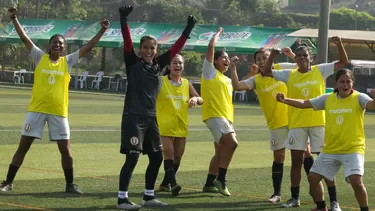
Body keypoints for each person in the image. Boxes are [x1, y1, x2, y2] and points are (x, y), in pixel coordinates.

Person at [0, 7, 110, 194]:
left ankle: (70, 184)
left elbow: (88, 47)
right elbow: (25, 38)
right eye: (54, 43)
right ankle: (8, 182)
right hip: (36, 110)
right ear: (49, 46)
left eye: (60, 43)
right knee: (23, 146)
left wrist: (102, 30)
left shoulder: (67, 61)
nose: (57, 45)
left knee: (65, 150)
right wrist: (14, 18)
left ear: (64, 47)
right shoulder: (39, 57)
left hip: (59, 112)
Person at [117, 5, 196, 210]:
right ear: (139, 50)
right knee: (132, 157)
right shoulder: (132, 61)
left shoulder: (158, 65)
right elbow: (126, 41)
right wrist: (124, 19)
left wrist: (188, 29)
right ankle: (122, 199)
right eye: (145, 48)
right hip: (133, 117)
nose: (149, 51)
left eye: (152, 48)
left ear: (156, 51)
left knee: (157, 157)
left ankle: (148, 196)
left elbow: (176, 48)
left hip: (151, 119)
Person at [263, 37, 348, 210]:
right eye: (299, 56)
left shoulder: (320, 70)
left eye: (304, 55)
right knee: (296, 163)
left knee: (326, 162)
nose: (301, 58)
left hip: (318, 124)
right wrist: (272, 56)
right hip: (296, 125)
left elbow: (343, 62)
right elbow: (265, 72)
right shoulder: (290, 74)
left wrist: (339, 45)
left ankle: (334, 202)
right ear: (295, 59)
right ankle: (295, 198)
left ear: (311, 58)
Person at [275, 68, 373, 211]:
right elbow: (304, 103)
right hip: (331, 149)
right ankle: (321, 207)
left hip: (353, 149)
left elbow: (371, 105)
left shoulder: (359, 97)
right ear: (336, 83)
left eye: (348, 81)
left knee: (356, 181)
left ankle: (364, 209)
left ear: (352, 83)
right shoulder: (328, 98)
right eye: (342, 82)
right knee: (313, 178)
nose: (345, 85)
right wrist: (285, 100)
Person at [230, 47, 302, 203]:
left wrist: (291, 54)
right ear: (255, 62)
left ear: (272, 59)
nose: (262, 61)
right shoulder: (256, 80)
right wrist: (233, 68)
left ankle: (304, 194)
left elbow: (300, 65)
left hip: (294, 120)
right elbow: (237, 86)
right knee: (279, 157)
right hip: (275, 124)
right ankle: (276, 194)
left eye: (265, 58)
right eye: (259, 59)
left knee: (303, 155)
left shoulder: (281, 68)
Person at [157, 54, 203, 196]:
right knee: (169, 154)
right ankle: (174, 184)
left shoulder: (186, 83)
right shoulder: (161, 81)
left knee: (178, 157)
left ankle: (165, 183)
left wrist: (195, 98)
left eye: (180, 63)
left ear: (183, 66)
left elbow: (201, 99)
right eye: (174, 63)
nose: (177, 66)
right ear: (169, 66)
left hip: (181, 125)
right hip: (164, 125)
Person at [201, 27, 238, 197]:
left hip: (226, 118)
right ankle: (221, 180)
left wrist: (248, 72)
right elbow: (210, 47)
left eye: (228, 58)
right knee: (232, 143)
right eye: (223, 57)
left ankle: (209, 183)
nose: (227, 60)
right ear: (214, 61)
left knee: (220, 153)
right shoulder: (209, 73)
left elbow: (239, 85)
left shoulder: (227, 79)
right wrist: (217, 34)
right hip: (215, 116)